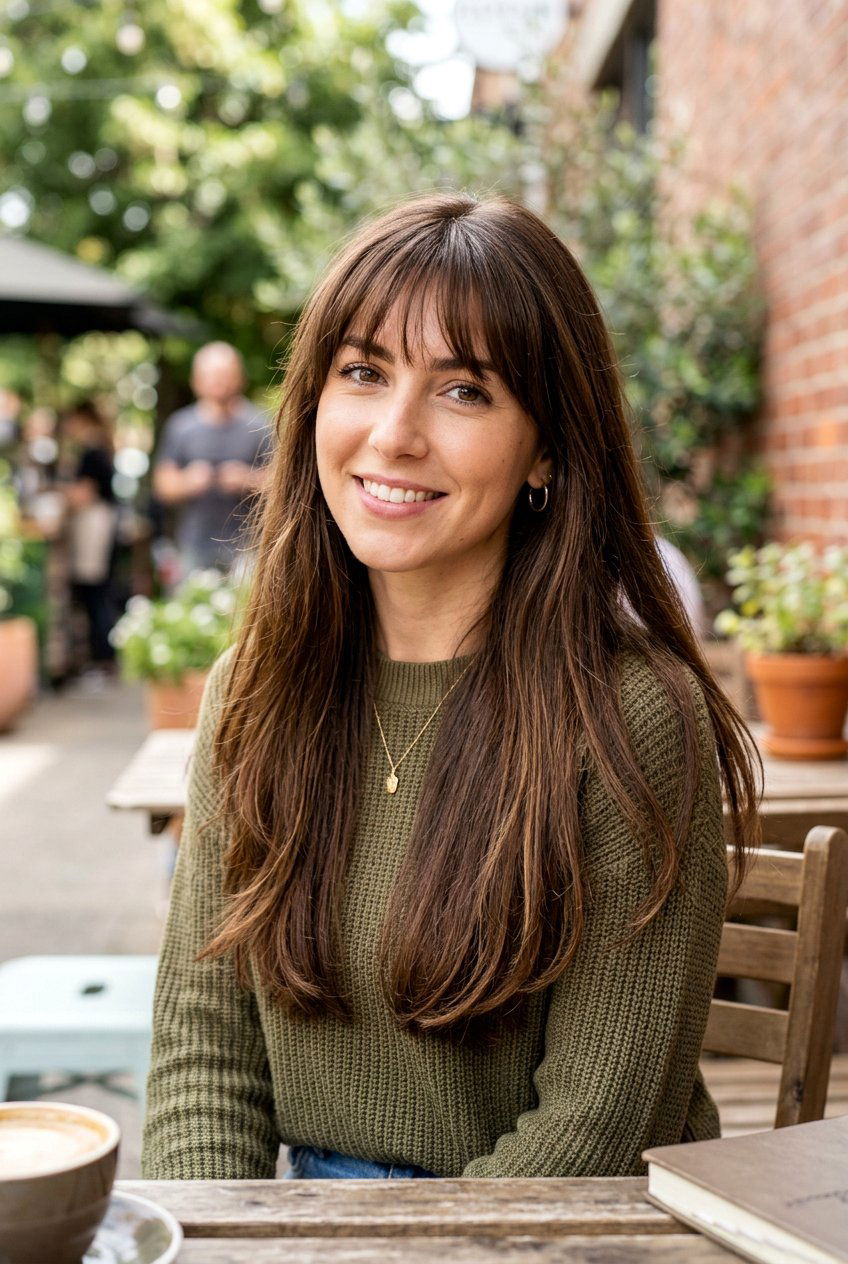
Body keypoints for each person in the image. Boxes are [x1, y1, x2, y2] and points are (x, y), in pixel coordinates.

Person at [141, 194, 760, 1182]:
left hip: (557, 1233)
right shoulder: (255, 692)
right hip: (303, 1230)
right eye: (362, 372)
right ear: (311, 402)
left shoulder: (631, 715)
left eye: (463, 390)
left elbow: (592, 1131)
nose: (393, 433)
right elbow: (203, 1069)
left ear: (546, 447)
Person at [152, 342, 271, 578]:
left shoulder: (259, 425)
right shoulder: (181, 426)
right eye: (211, 375)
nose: (218, 382)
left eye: (225, 374)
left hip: (248, 547)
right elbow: (161, 485)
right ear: (196, 381)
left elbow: (284, 483)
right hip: (194, 544)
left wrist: (248, 479)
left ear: (240, 378)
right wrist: (188, 482)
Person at [61, 402, 119, 673]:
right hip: (99, 522)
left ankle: (102, 657)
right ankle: (102, 656)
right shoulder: (101, 447)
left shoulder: (92, 450)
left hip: (94, 524)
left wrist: (61, 497)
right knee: (97, 589)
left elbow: (84, 493)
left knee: (94, 591)